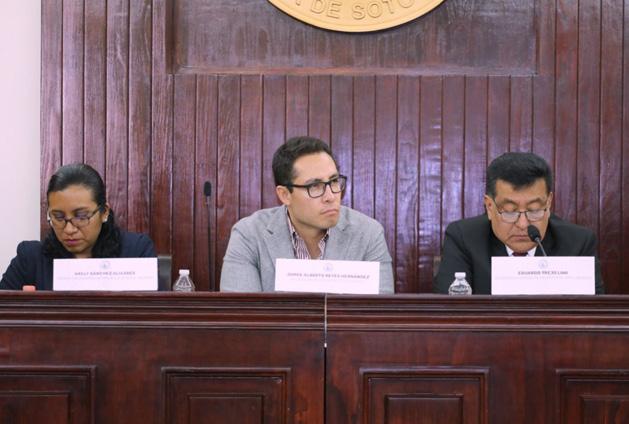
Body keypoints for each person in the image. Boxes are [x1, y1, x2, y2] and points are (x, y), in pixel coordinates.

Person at [220, 136, 394, 293]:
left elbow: (379, 313)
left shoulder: (368, 234)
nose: (330, 196)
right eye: (314, 186)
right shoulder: (249, 235)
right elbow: (241, 314)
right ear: (285, 195)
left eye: (334, 181)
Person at [434, 152, 605, 294]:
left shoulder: (578, 243)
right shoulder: (464, 238)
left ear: (548, 203)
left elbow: (593, 315)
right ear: (490, 207)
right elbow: (451, 313)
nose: (523, 224)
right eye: (510, 211)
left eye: (534, 210)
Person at [1, 163, 156, 290]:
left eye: (81, 216)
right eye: (58, 217)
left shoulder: (136, 251)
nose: (69, 229)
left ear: (104, 212)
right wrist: (25, 309)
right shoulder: (30, 258)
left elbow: (155, 312)